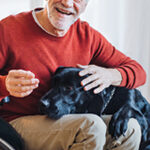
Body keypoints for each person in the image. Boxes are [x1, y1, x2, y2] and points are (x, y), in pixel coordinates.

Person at [0, 0, 146, 149]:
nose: (67, 3)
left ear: (86, 4)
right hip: (18, 123)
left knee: (130, 128)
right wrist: (4, 84)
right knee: (92, 127)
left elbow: (139, 72)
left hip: (64, 119)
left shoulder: (87, 36)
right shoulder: (8, 29)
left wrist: (109, 74)